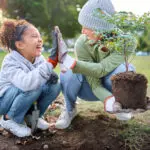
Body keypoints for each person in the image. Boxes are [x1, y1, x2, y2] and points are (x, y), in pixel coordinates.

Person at [54, 0, 137, 129]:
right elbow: (94, 81)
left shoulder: (126, 41)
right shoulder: (82, 43)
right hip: (89, 89)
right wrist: (108, 99)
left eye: (87, 27)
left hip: (113, 85)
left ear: (101, 28)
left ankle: (123, 105)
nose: (82, 31)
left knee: (124, 70)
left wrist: (74, 63)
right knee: (67, 73)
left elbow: (102, 69)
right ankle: (70, 110)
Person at [0, 19, 61, 137]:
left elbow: (43, 76)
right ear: (20, 45)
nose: (40, 40)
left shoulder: (39, 58)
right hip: (4, 101)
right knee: (32, 86)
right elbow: (26, 83)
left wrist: (50, 74)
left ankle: (32, 117)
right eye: (34, 36)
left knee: (55, 85)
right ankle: (9, 119)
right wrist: (50, 63)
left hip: (22, 96)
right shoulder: (10, 61)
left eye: (40, 36)